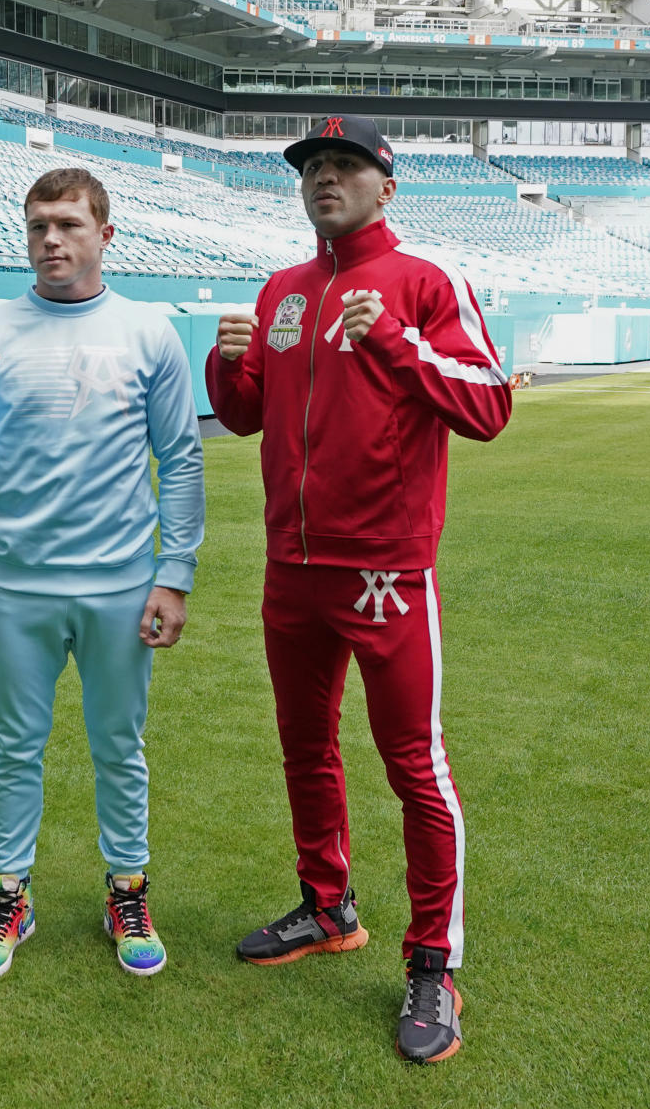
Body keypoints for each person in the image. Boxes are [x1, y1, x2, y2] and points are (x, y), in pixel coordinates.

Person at [205, 116, 511, 1065]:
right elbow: (247, 416)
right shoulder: (284, 289)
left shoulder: (423, 281)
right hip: (291, 566)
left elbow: (490, 404)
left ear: (387, 185)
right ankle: (326, 905)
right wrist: (227, 362)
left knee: (413, 763)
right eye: (311, 167)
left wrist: (399, 346)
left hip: (385, 565)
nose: (323, 178)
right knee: (305, 747)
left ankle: (434, 964)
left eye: (344, 165)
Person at [0, 166, 204, 983]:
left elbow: (179, 461)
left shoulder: (147, 332)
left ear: (105, 236)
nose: (52, 240)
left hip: (119, 585)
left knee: (120, 746)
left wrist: (172, 575)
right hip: (19, 586)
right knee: (17, 748)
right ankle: (10, 894)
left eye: (70, 225)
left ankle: (128, 891)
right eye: (39, 224)